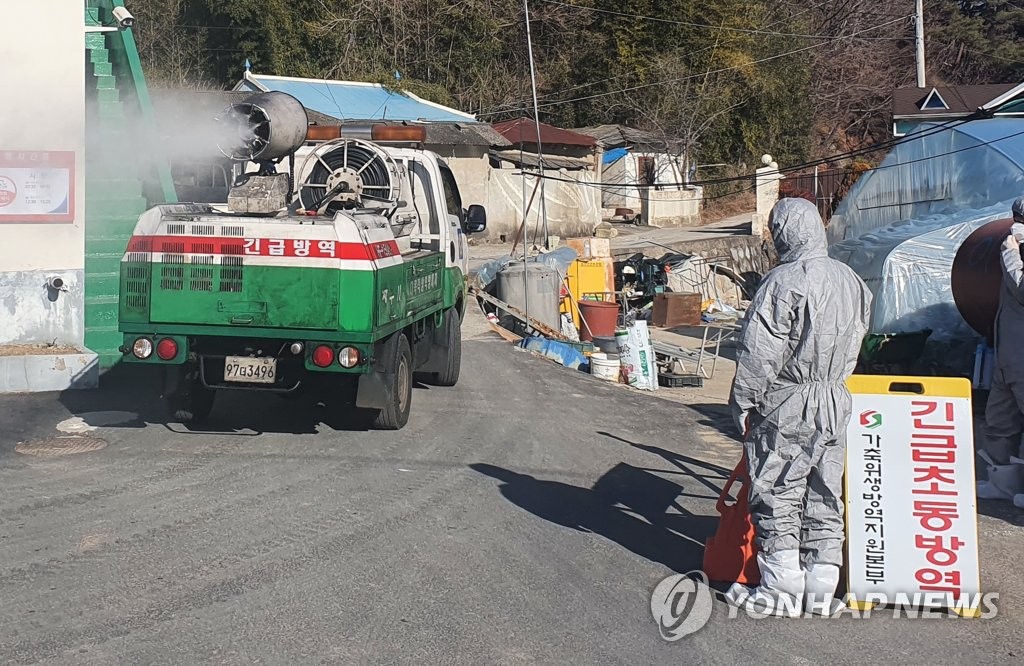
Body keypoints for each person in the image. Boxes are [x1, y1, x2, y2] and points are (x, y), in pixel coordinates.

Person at [724, 198, 872, 616]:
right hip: (835, 397)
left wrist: (744, 400)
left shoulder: (783, 282)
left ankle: (780, 590)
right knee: (825, 489)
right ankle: (823, 588)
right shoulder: (852, 281)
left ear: (784, 232)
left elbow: (759, 352)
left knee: (779, 488)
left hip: (789, 400)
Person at [977, 197, 1024, 505]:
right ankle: (1003, 484)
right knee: (999, 421)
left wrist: (1011, 255)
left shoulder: (1014, 252)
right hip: (1009, 353)